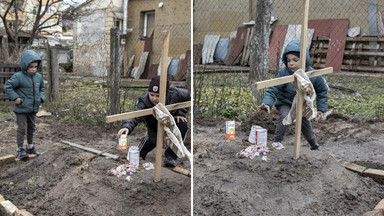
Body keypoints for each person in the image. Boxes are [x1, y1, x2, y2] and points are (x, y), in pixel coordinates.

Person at [258, 39, 328, 151]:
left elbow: (322, 91)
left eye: (295, 60)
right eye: (289, 60)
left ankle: (314, 145)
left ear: (304, 59)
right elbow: (273, 89)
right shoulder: (284, 73)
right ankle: (277, 142)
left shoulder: (313, 75)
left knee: (306, 124)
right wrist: (267, 103)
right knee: (286, 116)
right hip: (286, 102)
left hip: (302, 104)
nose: (291, 63)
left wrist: (321, 109)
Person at [117, 76, 190, 167]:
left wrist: (180, 112)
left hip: (170, 119)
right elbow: (135, 115)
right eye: (151, 95)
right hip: (153, 122)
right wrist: (126, 127)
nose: (154, 98)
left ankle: (171, 156)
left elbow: (188, 96)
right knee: (153, 141)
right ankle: (138, 154)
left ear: (165, 94)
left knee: (182, 125)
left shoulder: (174, 93)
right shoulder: (144, 100)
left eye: (158, 96)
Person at [4, 50, 45, 159]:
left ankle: (30, 147)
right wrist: (15, 97)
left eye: (35, 67)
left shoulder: (38, 77)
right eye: (31, 66)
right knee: (22, 128)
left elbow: (42, 88)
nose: (33, 69)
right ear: (25, 65)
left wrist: (41, 97)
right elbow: (7, 86)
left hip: (33, 108)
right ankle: (20, 149)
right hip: (21, 108)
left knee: (31, 128)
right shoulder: (18, 77)